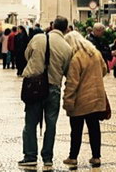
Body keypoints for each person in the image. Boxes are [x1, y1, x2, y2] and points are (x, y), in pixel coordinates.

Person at [18, 16, 72, 169]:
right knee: (51, 124)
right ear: (66, 29)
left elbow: (27, 55)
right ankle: (47, 158)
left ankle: (30, 156)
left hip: (34, 86)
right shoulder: (67, 47)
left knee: (30, 123)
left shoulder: (38, 38)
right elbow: (67, 70)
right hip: (54, 87)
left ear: (52, 25)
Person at [62, 31, 108, 168]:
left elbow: (72, 82)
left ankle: (73, 157)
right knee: (94, 129)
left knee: (76, 130)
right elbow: (104, 70)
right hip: (97, 97)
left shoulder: (76, 59)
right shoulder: (96, 53)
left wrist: (67, 100)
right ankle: (96, 157)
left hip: (81, 100)